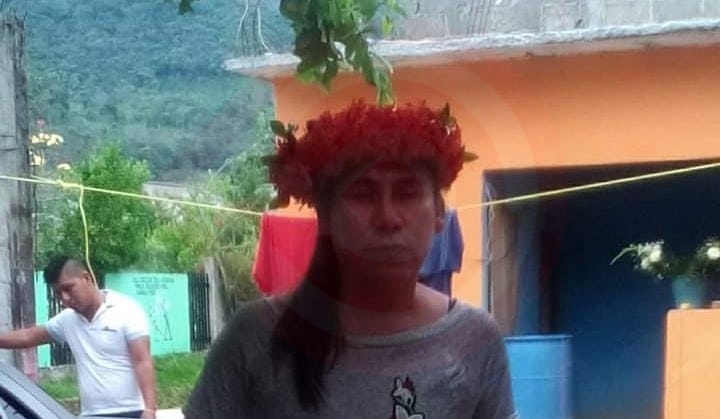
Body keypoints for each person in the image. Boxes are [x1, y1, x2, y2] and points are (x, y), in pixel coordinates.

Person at [184, 101, 517, 418]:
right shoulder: (255, 335)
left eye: (407, 193)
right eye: (362, 194)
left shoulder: (475, 338)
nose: (388, 218)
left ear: (440, 214)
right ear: (327, 217)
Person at [0, 256, 157, 418]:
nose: (65, 298)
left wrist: (149, 410)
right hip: (91, 414)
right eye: (58, 293)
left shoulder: (126, 310)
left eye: (68, 289)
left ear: (86, 278)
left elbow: (142, 361)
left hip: (132, 411)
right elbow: (27, 337)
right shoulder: (67, 320)